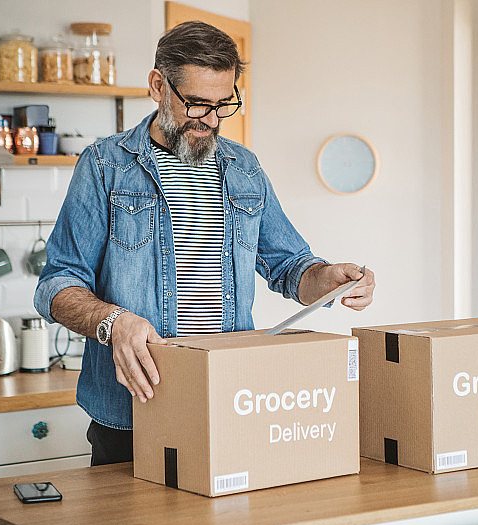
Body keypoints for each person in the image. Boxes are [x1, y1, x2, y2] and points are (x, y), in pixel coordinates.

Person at [34, 21, 375, 466]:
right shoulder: (104, 166)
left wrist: (328, 278)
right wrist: (113, 322)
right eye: (196, 104)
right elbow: (56, 286)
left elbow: (290, 267)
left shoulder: (245, 169)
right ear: (158, 86)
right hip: (133, 414)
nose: (211, 120)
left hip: (233, 401)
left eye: (223, 104)